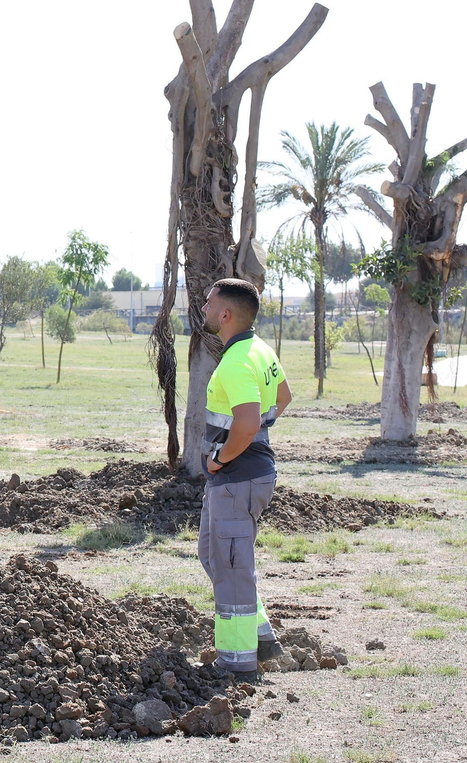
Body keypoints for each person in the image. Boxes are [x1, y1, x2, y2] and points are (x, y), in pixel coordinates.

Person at [198, 277, 292, 682]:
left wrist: (223, 455)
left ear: (225, 313)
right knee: (212, 554)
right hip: (242, 477)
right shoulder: (260, 350)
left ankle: (238, 662)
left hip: (237, 478)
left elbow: (249, 421)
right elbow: (284, 397)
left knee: (233, 565)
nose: (203, 309)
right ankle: (262, 637)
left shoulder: (236, 362)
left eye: (207, 304)